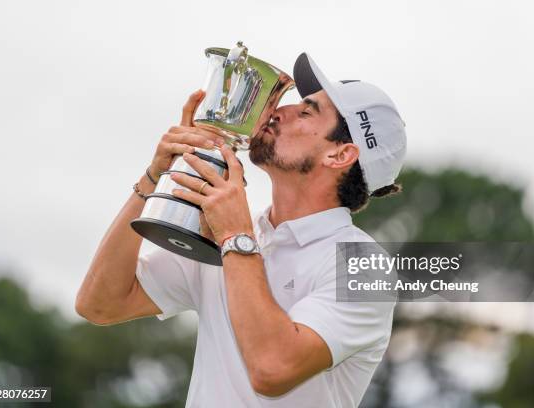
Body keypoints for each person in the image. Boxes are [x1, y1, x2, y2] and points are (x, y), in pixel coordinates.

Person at [76, 53, 407, 407]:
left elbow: (272, 369)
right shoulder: (235, 233)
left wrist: (235, 237)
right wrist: (156, 175)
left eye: (307, 111)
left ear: (340, 155)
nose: (279, 111)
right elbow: (100, 304)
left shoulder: (365, 266)